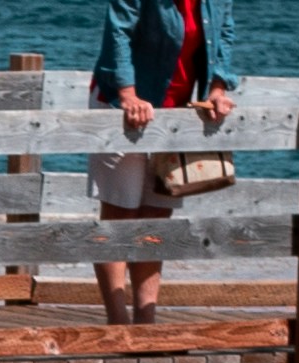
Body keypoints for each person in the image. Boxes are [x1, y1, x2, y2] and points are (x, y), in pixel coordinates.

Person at [85, 0, 233, 325]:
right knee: (120, 213)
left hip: (175, 111)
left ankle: (146, 322)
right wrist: (128, 94)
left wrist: (217, 89)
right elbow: (118, 32)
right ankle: (118, 324)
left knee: (157, 214)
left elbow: (223, 32)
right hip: (121, 106)